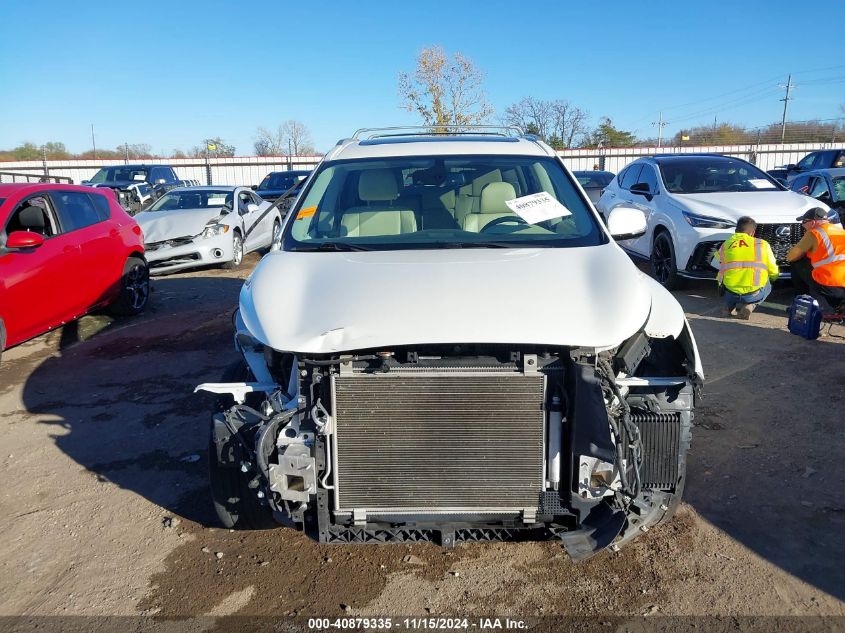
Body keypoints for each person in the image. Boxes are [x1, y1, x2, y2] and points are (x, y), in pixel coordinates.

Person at [712, 216, 779, 319]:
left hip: (729, 292)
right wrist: (773, 278)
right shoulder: (762, 244)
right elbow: (773, 269)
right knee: (768, 282)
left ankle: (729, 306)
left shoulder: (725, 245)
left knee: (726, 279)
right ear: (752, 232)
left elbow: (716, 264)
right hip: (753, 294)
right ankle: (750, 305)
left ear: (735, 231)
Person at [786, 207, 845, 315]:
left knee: (797, 262)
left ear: (812, 222)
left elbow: (791, 256)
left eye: (804, 222)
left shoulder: (814, 233)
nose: (803, 225)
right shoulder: (841, 232)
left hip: (830, 285)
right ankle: (838, 304)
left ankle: (800, 304)